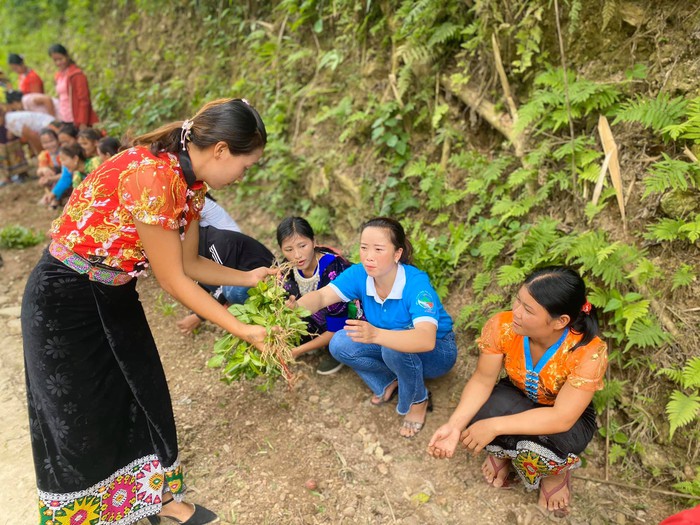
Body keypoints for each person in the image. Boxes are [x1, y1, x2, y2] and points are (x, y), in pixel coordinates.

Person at [21, 97, 268, 525]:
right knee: (80, 418)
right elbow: (174, 280)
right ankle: (89, 515)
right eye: (245, 166)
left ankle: (157, 499)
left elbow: (190, 263)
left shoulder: (190, 185)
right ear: (222, 150)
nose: (243, 177)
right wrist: (241, 328)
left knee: (142, 396)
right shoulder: (154, 175)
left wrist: (250, 277)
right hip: (64, 300)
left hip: (113, 294)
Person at [427, 266, 608, 518]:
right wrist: (455, 425)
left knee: (549, 444)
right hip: (517, 393)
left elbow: (562, 417)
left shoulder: (588, 352)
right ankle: (503, 453)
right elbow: (482, 380)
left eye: (528, 309)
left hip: (564, 415)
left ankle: (554, 475)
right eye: (518, 300)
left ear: (560, 321)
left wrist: (494, 427)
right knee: (476, 414)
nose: (516, 312)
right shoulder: (502, 326)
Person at [294, 217, 457, 436]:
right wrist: (294, 309)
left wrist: (377, 334)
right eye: (363, 248)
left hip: (437, 353)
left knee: (393, 347)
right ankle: (390, 381)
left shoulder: (416, 284)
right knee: (340, 343)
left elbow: (426, 339)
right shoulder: (360, 274)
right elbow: (322, 297)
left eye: (378, 249)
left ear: (397, 254)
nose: (369, 257)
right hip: (389, 344)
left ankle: (419, 400)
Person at [278, 216, 354, 375]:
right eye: (289, 250)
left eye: (302, 245)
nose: (297, 255)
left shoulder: (332, 269)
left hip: (346, 321)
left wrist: (298, 350)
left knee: (338, 338)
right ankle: (316, 339)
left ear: (314, 241)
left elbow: (337, 325)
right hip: (318, 318)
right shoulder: (288, 268)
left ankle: (336, 351)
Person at [176, 225, 276, 334]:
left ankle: (262, 323)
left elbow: (226, 285)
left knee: (233, 293)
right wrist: (197, 312)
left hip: (266, 279)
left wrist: (200, 316)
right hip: (244, 281)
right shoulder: (194, 254)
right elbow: (201, 282)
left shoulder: (216, 243)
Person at [48, 43, 99, 128]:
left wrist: (83, 122)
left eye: (60, 59)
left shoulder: (76, 75)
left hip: (75, 118)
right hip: (64, 117)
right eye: (55, 60)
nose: (58, 63)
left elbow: (84, 99)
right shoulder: (58, 75)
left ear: (67, 56)